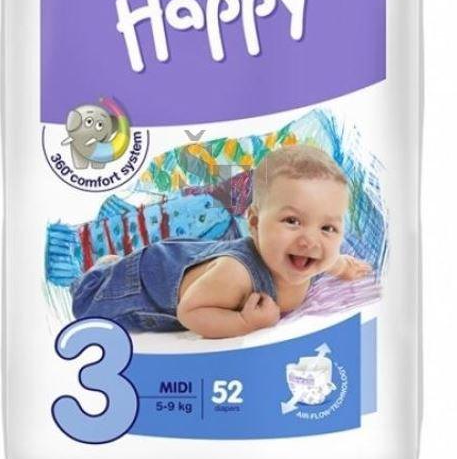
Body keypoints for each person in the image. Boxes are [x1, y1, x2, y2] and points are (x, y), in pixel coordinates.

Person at [71, 145, 371, 338]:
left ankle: (113, 263)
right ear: (254, 222)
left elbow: (328, 260)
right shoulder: (236, 275)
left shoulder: (306, 258)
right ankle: (103, 271)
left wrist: (343, 266)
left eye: (328, 228)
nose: (310, 240)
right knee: (88, 304)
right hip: (141, 284)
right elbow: (190, 312)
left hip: (187, 259)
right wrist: (245, 323)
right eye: (292, 221)